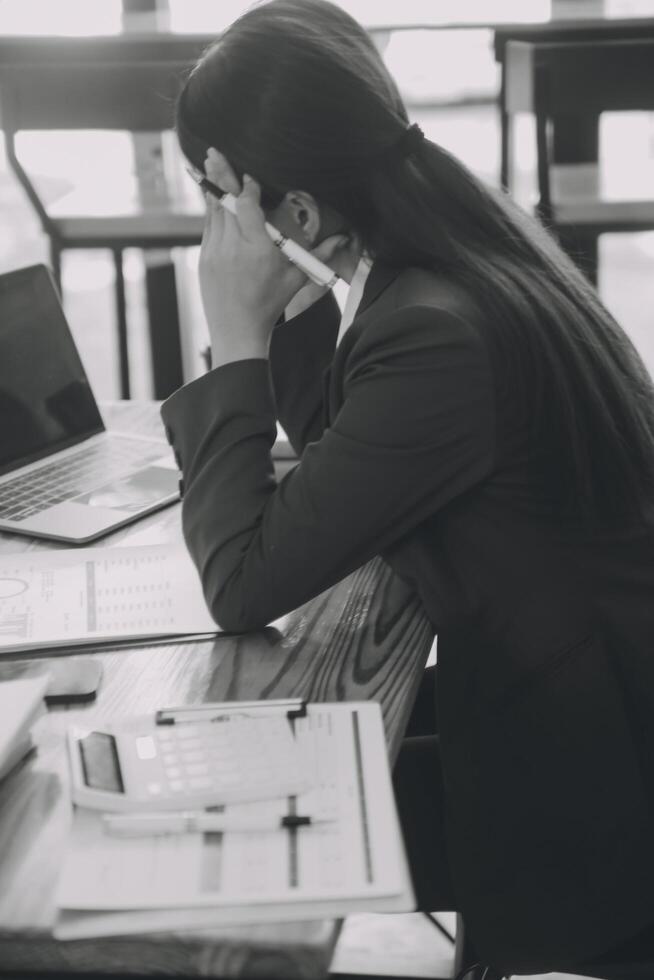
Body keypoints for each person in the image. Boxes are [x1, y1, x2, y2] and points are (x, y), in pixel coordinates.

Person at [161, 1, 654, 975]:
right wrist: (288, 303)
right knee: (256, 796)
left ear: (293, 210)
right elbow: (346, 454)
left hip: (596, 776)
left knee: (222, 839)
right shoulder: (457, 252)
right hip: (579, 701)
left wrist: (239, 332)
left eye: (221, 198)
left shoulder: (434, 328)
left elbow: (246, 580)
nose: (220, 229)